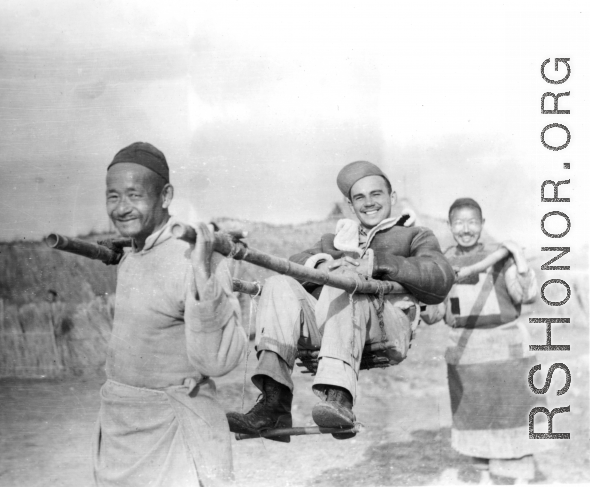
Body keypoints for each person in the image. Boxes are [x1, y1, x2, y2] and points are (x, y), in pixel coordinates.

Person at [227, 160, 454, 441]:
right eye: (359, 197)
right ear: (350, 205)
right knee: (278, 284)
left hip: (386, 326)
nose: (369, 203)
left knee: (346, 280)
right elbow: (295, 263)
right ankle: (275, 401)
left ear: (392, 198)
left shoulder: (414, 235)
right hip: (333, 327)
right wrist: (321, 264)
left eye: (377, 194)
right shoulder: (334, 240)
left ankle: (339, 397)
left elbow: (440, 275)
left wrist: (376, 263)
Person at [92, 142, 247, 486]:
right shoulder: (132, 255)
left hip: (175, 428)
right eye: (113, 196)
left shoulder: (195, 257)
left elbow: (217, 363)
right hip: (121, 425)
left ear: (165, 195)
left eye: (134, 195)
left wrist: (203, 273)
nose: (121, 208)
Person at [422, 198, 542, 484]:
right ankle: (485, 479)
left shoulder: (500, 256)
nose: (466, 229)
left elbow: (527, 296)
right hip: (466, 351)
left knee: (516, 414)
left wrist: (520, 261)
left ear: (482, 224)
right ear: (450, 226)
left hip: (508, 348)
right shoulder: (441, 263)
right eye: (459, 223)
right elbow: (436, 311)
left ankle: (521, 479)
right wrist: (419, 304)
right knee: (474, 418)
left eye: (472, 222)